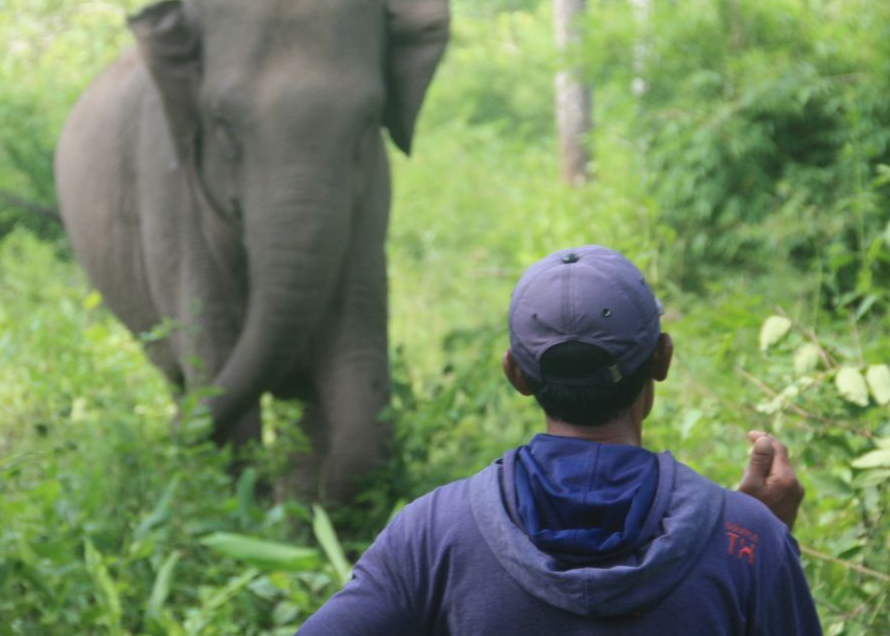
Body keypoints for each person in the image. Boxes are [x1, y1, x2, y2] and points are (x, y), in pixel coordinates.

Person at [297, 245, 821, 635]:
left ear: (515, 374)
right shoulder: (746, 539)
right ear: (662, 359)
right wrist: (760, 540)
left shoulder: (432, 533)